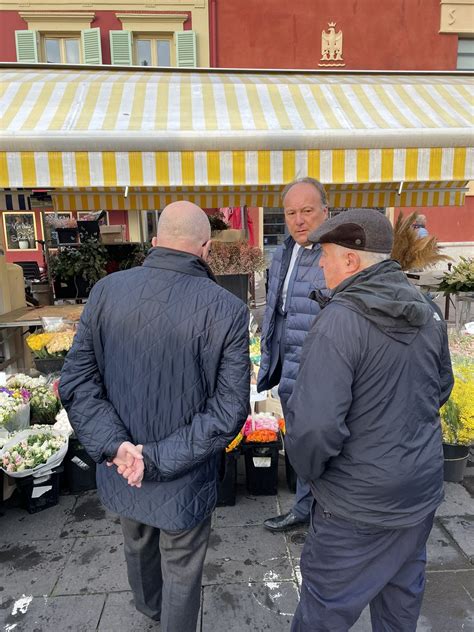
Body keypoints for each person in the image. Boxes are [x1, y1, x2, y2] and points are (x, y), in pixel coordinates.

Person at [59, 201, 250, 632]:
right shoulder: (228, 309)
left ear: (155, 242)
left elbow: (75, 383)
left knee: (137, 537)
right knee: (181, 564)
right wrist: (155, 458)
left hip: (122, 464)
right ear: (205, 248)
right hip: (182, 471)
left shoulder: (107, 291)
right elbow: (229, 409)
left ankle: (149, 611)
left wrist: (119, 448)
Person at [285, 209, 454, 631]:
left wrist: (311, 476)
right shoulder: (426, 309)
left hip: (356, 508)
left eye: (324, 254)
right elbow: (441, 389)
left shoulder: (340, 321)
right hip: (417, 497)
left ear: (351, 261)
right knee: (399, 611)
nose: (320, 264)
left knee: (322, 615)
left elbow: (313, 428)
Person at [257, 177, 328, 532]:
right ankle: (305, 507)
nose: (299, 220)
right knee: (298, 438)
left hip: (317, 365)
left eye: (307, 211)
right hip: (286, 358)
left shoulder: (333, 253)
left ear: (325, 212)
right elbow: (277, 307)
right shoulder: (284, 250)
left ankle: (315, 510)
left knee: (315, 439)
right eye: (290, 213)